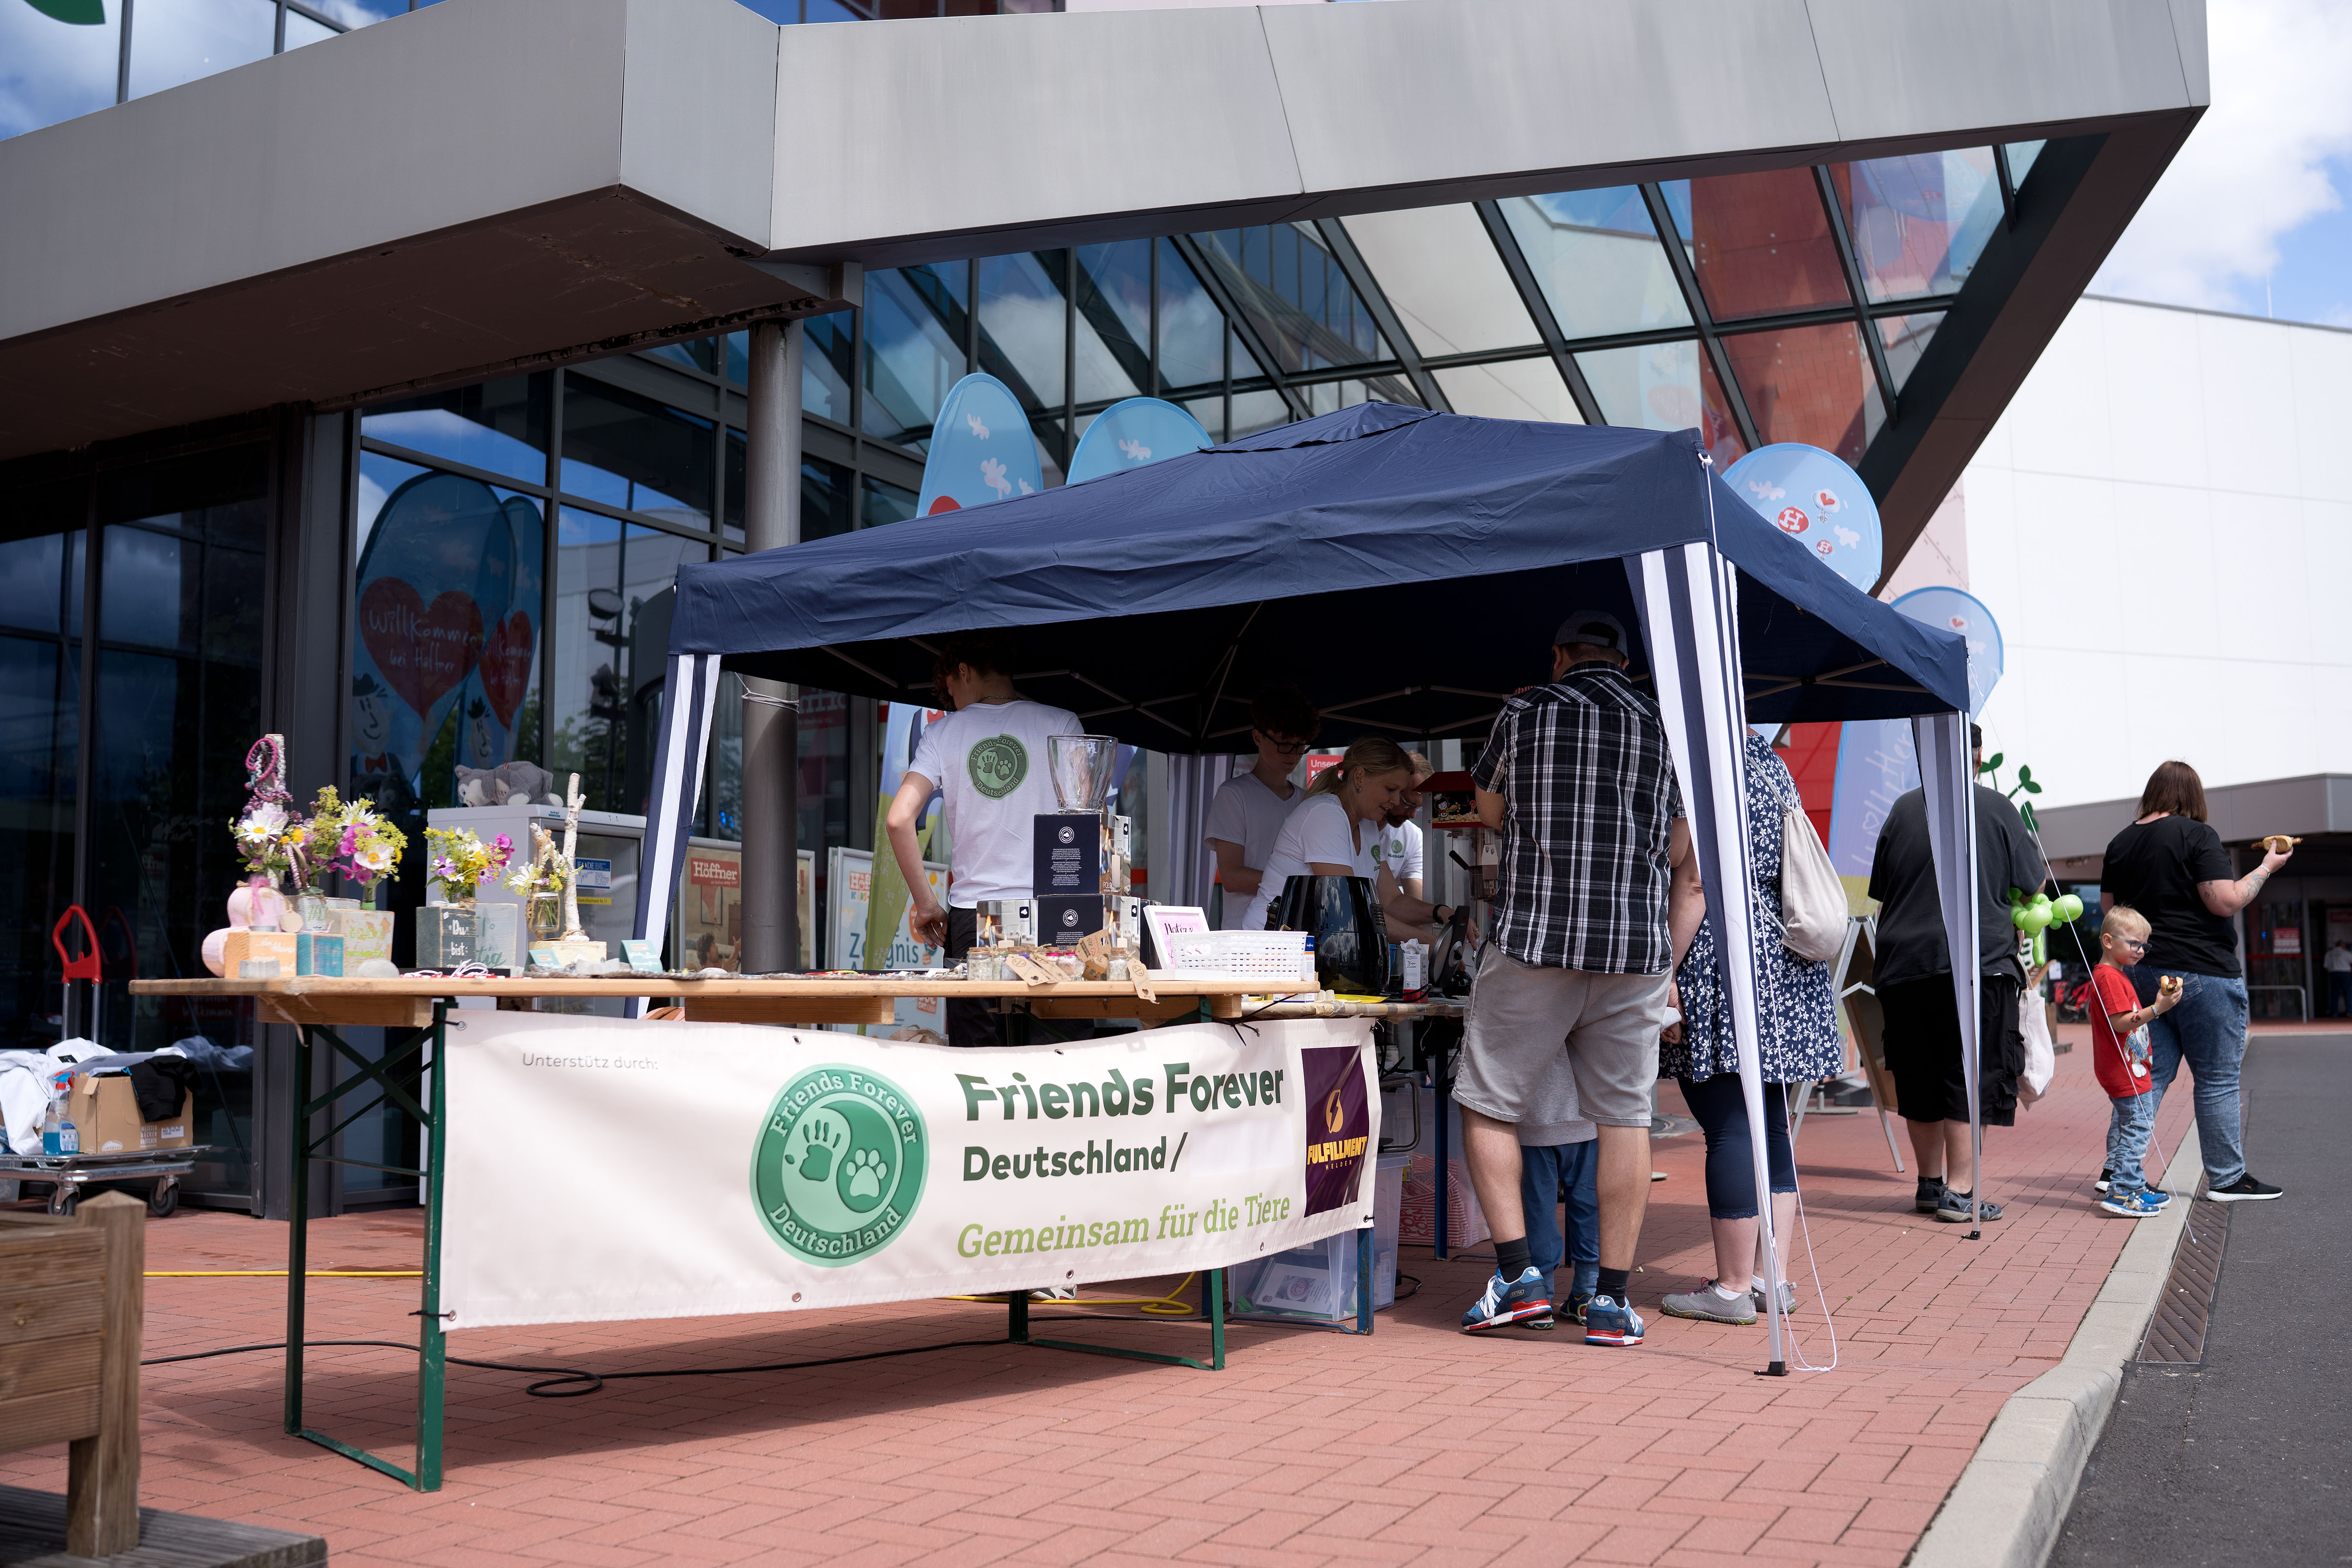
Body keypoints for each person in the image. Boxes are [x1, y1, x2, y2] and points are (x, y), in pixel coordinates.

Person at [1454, 610, 1701, 1347]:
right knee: (1625, 1119)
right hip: (1633, 950)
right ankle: (1611, 1302)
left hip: (1536, 939)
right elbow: (1680, 848)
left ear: (1559, 656)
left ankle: (1518, 1278)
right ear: (1625, 664)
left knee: (1489, 1101)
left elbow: (1489, 811)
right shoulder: (1666, 727)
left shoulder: (1523, 711)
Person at [1657, 730, 1842, 1326]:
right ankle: (1772, 1279)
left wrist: (1664, 971)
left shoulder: (1700, 760)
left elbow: (1693, 880)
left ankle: (1733, 1286)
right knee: (1770, 1125)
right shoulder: (1767, 760)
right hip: (1783, 954)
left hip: (1726, 953)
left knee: (1729, 1123)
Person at [1866, 722, 2045, 1224]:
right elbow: (2033, 887)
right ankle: (1961, 1190)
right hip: (1976, 962)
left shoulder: (1902, 809)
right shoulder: (1997, 807)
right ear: (1979, 756)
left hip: (1903, 965)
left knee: (1918, 1074)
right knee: (1971, 1074)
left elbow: (1882, 889)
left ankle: (1929, 1183)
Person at [2101, 760, 2289, 1201]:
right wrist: (2266, 867)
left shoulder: (2120, 842)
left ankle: (2118, 1170)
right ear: (2192, 795)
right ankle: (2227, 1178)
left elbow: (2112, 911)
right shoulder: (2197, 835)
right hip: (2202, 971)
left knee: (2148, 1075)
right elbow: (2224, 901)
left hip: (2143, 972)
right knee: (2217, 1078)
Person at [885, 630, 1080, 1048]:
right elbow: (1084, 821)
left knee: (978, 1059)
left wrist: (926, 904)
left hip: (975, 918)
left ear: (963, 671)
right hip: (1052, 913)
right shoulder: (1061, 723)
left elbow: (899, 820)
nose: (952, 704)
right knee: (1059, 1053)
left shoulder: (943, 734)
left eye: (950, 693)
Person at [1241, 736, 1457, 938]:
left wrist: (1440, 912)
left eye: (1400, 792)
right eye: (1390, 789)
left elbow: (1392, 902)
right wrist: (1432, 943)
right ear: (1360, 776)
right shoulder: (1325, 814)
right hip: (1269, 948)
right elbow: (1352, 909)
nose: (1396, 801)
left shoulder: (1367, 824)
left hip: (1299, 946)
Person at [2086, 906, 2180, 1216]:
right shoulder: (2109, 978)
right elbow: (2120, 1023)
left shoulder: (2115, 976)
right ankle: (2123, 1192)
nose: (2140, 951)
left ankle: (2134, 1186)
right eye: (2134, 944)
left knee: (2136, 1126)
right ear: (2108, 941)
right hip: (2124, 1069)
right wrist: (2158, 1008)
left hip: (2131, 1068)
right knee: (2137, 1129)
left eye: (2144, 946)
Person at [1203, 685, 1320, 930]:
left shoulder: (1308, 801)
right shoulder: (1234, 794)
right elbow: (1232, 877)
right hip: (1246, 936)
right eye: (1284, 743)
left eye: (1301, 745)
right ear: (1258, 737)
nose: (1294, 754)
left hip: (1298, 932)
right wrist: (1302, 885)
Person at [1516, 1053, 1601, 1328]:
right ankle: (1587, 1295)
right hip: (1587, 1114)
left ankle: (1539, 1300)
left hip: (1534, 1115)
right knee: (1589, 1207)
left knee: (1538, 1212)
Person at [1371, 751, 1433, 901]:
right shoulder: (1353, 824)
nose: (1413, 815)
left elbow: (1415, 900)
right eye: (1409, 805)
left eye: (1419, 808)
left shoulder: (1413, 836)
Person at [2325, 939, 2352, 1018]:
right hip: (2345, 974)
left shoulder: (2329, 953)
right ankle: (2349, 1012)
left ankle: (2334, 1013)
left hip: (2334, 973)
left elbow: (2326, 966)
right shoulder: (2346, 953)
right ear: (2343, 945)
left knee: (2335, 993)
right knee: (2348, 993)